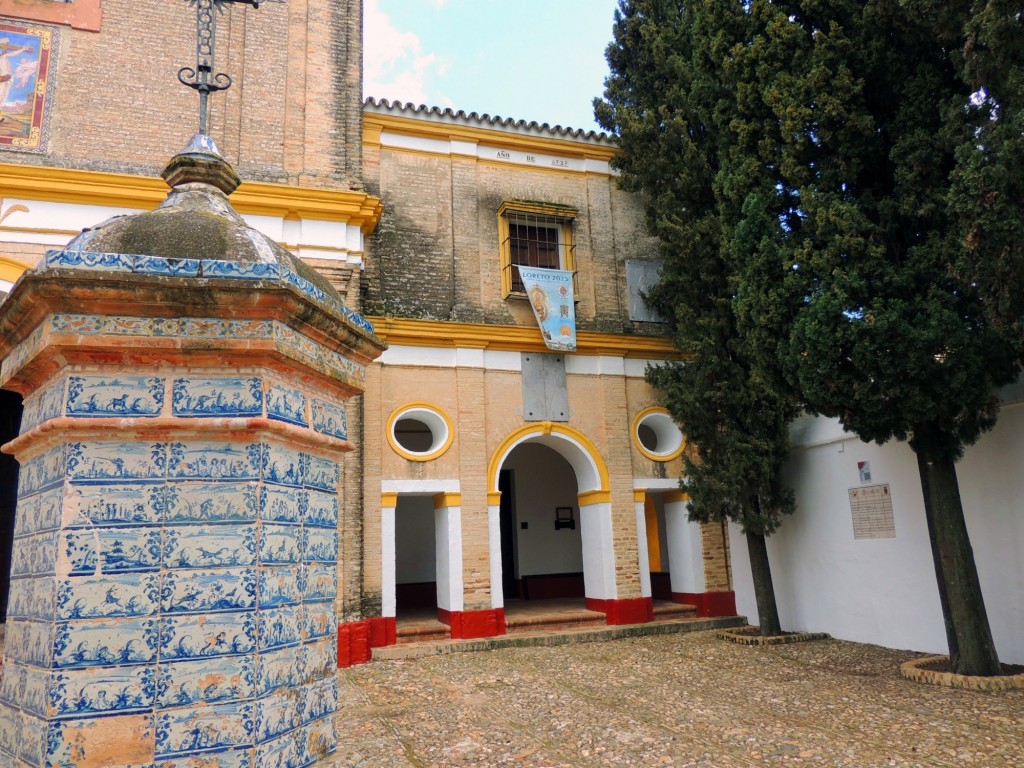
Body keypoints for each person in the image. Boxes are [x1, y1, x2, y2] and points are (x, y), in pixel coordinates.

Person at [0, 38, 31, 124]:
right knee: (1, 96)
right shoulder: (3, 57)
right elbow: (13, 53)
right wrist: (22, 49)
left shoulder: (3, 57)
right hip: (3, 80)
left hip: (8, 80)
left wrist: (22, 49)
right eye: (5, 44)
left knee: (3, 97)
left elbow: (12, 54)